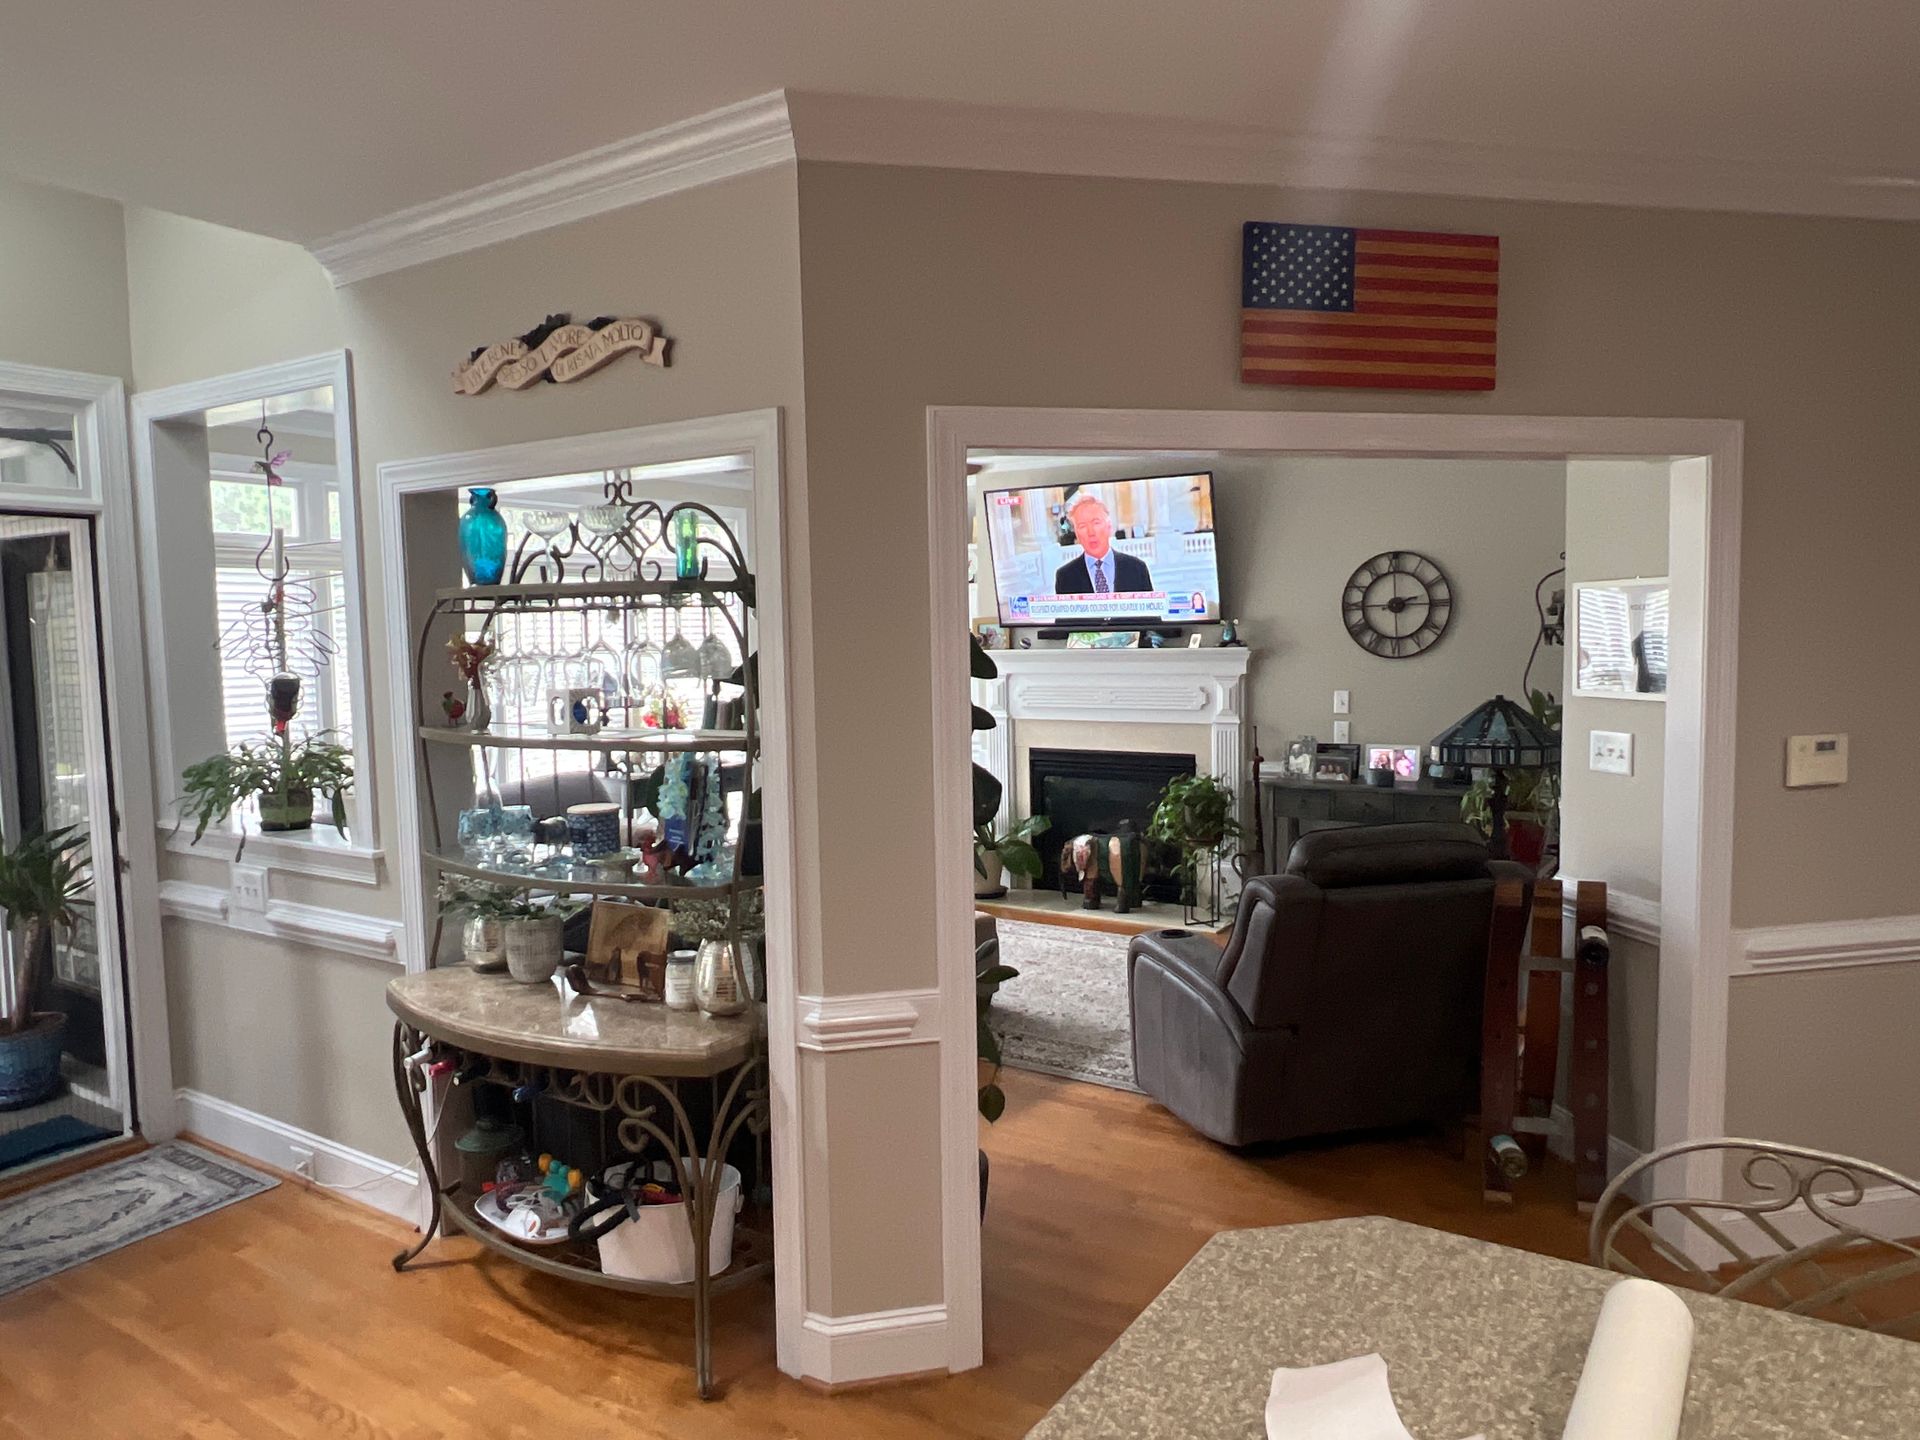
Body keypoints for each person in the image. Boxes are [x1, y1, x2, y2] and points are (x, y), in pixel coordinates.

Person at [1054, 492, 1154, 595]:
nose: (1091, 532)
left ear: (1109, 526)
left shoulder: (1137, 568)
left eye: (1096, 523)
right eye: (1082, 526)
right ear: (1076, 533)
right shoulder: (1065, 577)